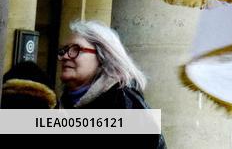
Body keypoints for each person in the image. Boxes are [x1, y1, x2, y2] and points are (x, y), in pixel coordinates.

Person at [58, 19, 166, 147]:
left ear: (102, 56)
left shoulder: (125, 106)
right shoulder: (63, 103)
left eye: (75, 49)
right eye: (64, 50)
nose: (65, 56)